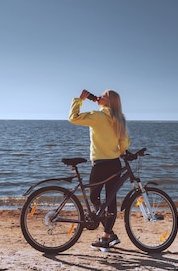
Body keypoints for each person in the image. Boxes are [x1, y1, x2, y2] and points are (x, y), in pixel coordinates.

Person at [68, 89, 131, 252]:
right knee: (110, 200)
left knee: (94, 197)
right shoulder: (119, 118)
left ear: (109, 102)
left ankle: (107, 236)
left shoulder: (98, 116)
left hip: (100, 164)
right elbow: (124, 141)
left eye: (103, 96)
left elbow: (73, 118)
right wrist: (121, 151)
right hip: (114, 163)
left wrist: (79, 100)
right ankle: (107, 236)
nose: (99, 96)